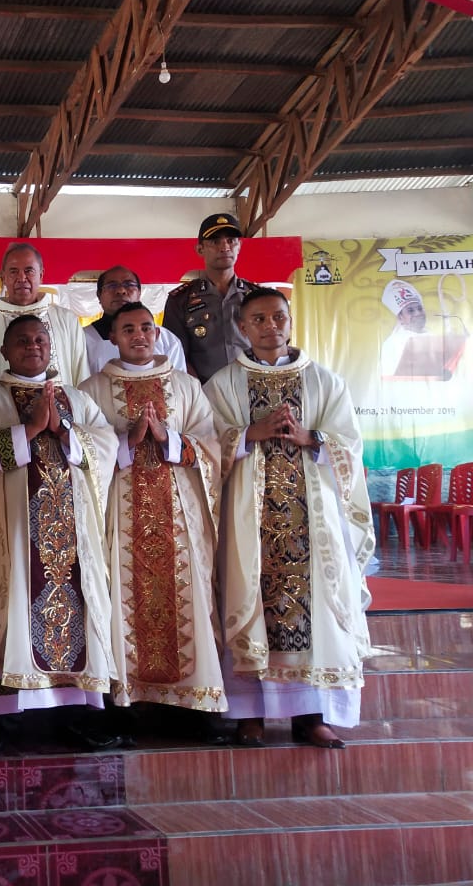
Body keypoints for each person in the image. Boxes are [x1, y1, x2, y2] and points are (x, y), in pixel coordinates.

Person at [204, 288, 374, 749]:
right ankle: (250, 714)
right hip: (248, 520)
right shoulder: (224, 384)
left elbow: (350, 445)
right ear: (242, 328)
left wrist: (310, 436)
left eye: (278, 316)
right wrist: (247, 434)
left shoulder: (324, 381)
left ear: (290, 321)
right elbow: (202, 444)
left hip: (312, 520)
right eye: (258, 319)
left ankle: (311, 716)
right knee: (248, 603)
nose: (270, 326)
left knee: (317, 612)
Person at [0, 315, 118, 750]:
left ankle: (75, 712)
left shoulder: (76, 399)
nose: (32, 347)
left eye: (40, 340)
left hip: (72, 532)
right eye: (22, 341)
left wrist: (65, 432)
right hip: (13, 533)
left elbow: (104, 446)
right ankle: (2, 718)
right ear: (4, 351)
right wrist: (27, 430)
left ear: (52, 348)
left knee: (80, 609)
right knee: (10, 606)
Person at [79, 303, 227, 733]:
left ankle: (195, 700)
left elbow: (211, 445)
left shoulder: (184, 387)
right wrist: (125, 443)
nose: (139, 335)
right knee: (123, 600)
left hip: (181, 513)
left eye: (147, 327)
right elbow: (88, 452)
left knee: (190, 594)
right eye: (129, 329)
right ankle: (130, 700)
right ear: (113, 337)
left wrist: (172, 440)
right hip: (122, 514)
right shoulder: (92, 389)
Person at [0, 242, 88, 394]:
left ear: (41, 275)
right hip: (1, 414)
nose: (22, 278)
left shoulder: (66, 320)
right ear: (3, 277)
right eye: (13, 271)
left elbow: (82, 376)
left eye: (29, 271)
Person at [162, 213, 258, 382]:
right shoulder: (180, 299)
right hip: (204, 393)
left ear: (239, 246)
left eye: (231, 241)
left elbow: (272, 345)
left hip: (251, 388)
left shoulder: (257, 296)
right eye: (215, 242)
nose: (225, 247)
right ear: (200, 249)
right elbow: (176, 353)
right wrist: (198, 391)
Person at [82, 266, 186, 375]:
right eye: (111, 286)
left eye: (129, 285)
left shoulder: (167, 340)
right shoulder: (82, 339)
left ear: (139, 293)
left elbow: (178, 384)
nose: (121, 291)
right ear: (99, 295)